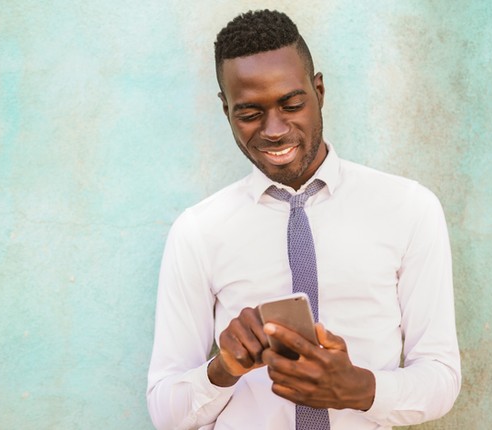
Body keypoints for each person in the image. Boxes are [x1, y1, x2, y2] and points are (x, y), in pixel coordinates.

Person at [147, 9, 460, 430]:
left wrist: (359, 389)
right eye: (249, 114)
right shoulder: (199, 231)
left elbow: (441, 376)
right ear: (226, 111)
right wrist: (223, 369)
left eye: (291, 104)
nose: (274, 130)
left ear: (319, 91)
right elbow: (165, 410)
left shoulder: (409, 209)